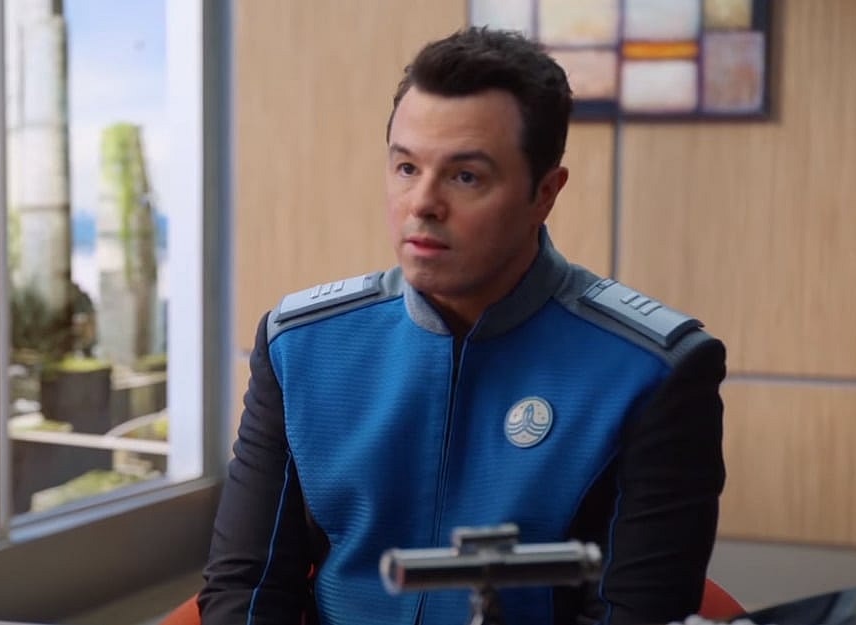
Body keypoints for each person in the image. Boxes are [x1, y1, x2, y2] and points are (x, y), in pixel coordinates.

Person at [199, 27, 726, 625]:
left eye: (465, 176)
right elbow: (246, 588)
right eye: (406, 167)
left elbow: (634, 613)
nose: (422, 203)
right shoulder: (299, 347)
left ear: (544, 194)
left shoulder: (654, 371)